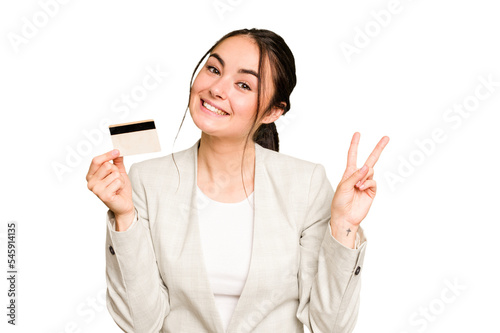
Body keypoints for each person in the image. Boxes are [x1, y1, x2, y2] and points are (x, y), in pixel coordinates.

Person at [86, 28, 389, 333]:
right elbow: (141, 323)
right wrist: (125, 217)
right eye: (214, 69)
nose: (217, 88)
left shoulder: (306, 184)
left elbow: (328, 327)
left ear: (272, 111)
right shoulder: (147, 180)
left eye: (243, 84)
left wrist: (344, 226)